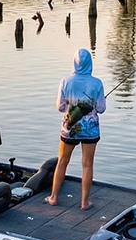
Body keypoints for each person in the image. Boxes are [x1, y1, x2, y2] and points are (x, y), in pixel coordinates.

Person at [45, 48, 106, 210]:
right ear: (90, 63)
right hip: (91, 130)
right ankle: (84, 202)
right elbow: (101, 108)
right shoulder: (97, 83)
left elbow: (60, 107)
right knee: (87, 165)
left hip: (69, 129)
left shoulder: (65, 82)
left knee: (62, 162)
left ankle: (53, 197)